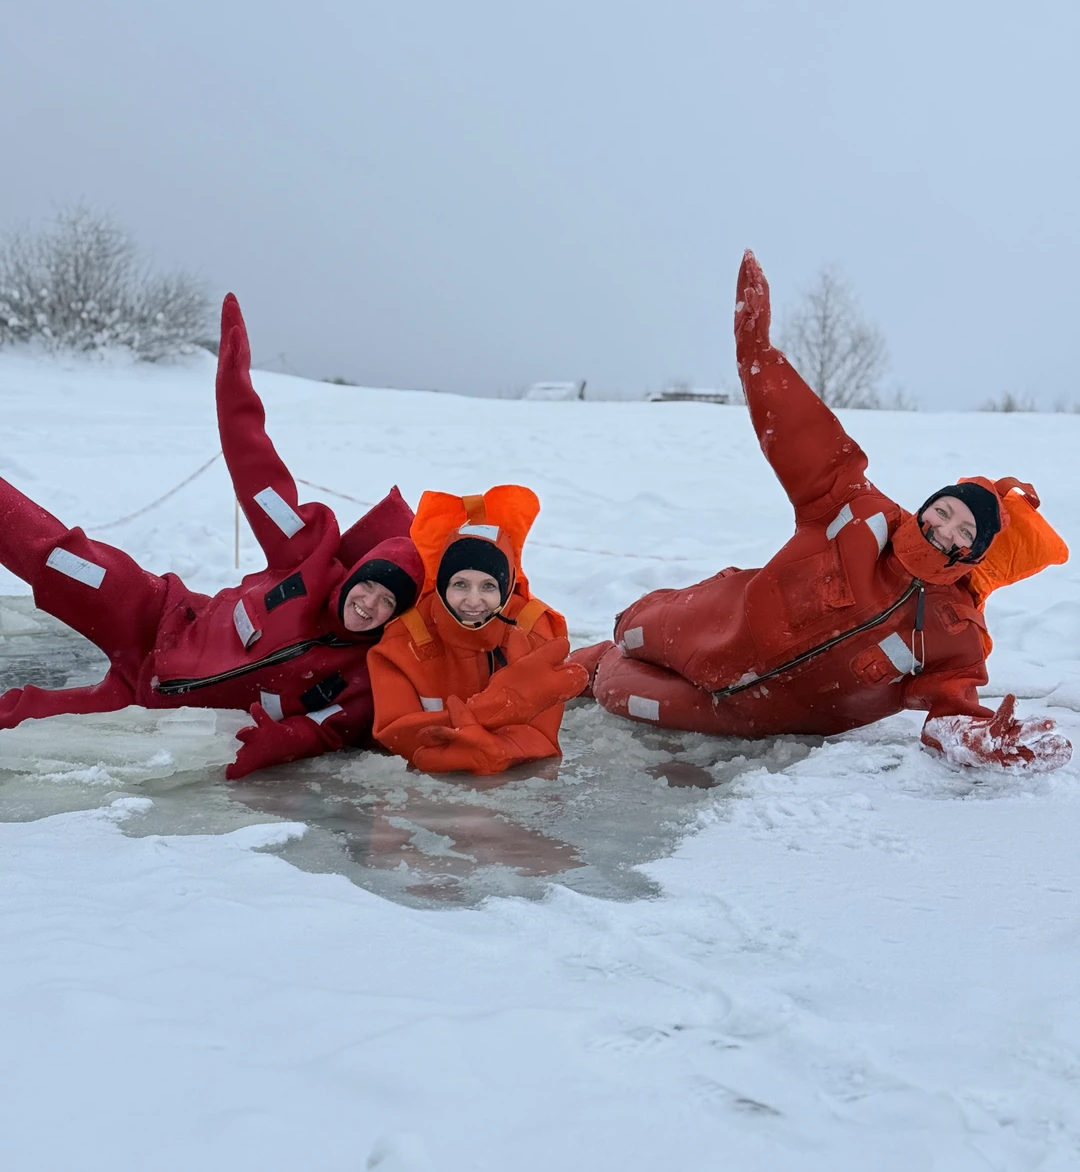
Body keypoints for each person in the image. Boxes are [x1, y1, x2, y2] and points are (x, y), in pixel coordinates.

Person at [572, 252, 1072, 772]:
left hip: (746, 716)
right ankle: (559, 660)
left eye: (964, 530)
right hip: (708, 621)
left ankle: (582, 672)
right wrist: (756, 353)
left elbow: (950, 710)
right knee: (630, 629)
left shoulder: (956, 633)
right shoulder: (861, 514)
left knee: (614, 687)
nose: (944, 528)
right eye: (943, 510)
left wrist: (978, 738)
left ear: (976, 552)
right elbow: (805, 437)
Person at [0, 295, 424, 779]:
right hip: (155, 616)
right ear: (355, 576)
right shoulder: (309, 555)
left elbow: (329, 728)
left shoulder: (361, 675)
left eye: (388, 600)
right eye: (369, 585)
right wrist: (233, 384)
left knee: (26, 725)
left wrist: (278, 741)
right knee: (63, 561)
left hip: (146, 702)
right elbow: (255, 474)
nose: (369, 602)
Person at [367, 486, 588, 774]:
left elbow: (542, 736)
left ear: (507, 588)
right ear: (444, 585)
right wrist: (491, 711)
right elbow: (393, 733)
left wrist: (498, 751)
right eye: (460, 584)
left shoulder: (534, 628)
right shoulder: (405, 638)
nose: (473, 600)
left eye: (488, 586)